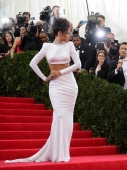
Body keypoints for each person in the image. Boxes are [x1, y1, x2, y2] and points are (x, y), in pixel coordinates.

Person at [5, 18, 81, 163]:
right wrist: (44, 78)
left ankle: (63, 153)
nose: (70, 35)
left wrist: (61, 72)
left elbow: (78, 64)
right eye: (68, 32)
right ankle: (56, 153)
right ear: (60, 32)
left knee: (67, 119)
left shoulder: (70, 45)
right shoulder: (47, 46)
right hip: (55, 86)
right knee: (58, 115)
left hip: (69, 85)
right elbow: (32, 63)